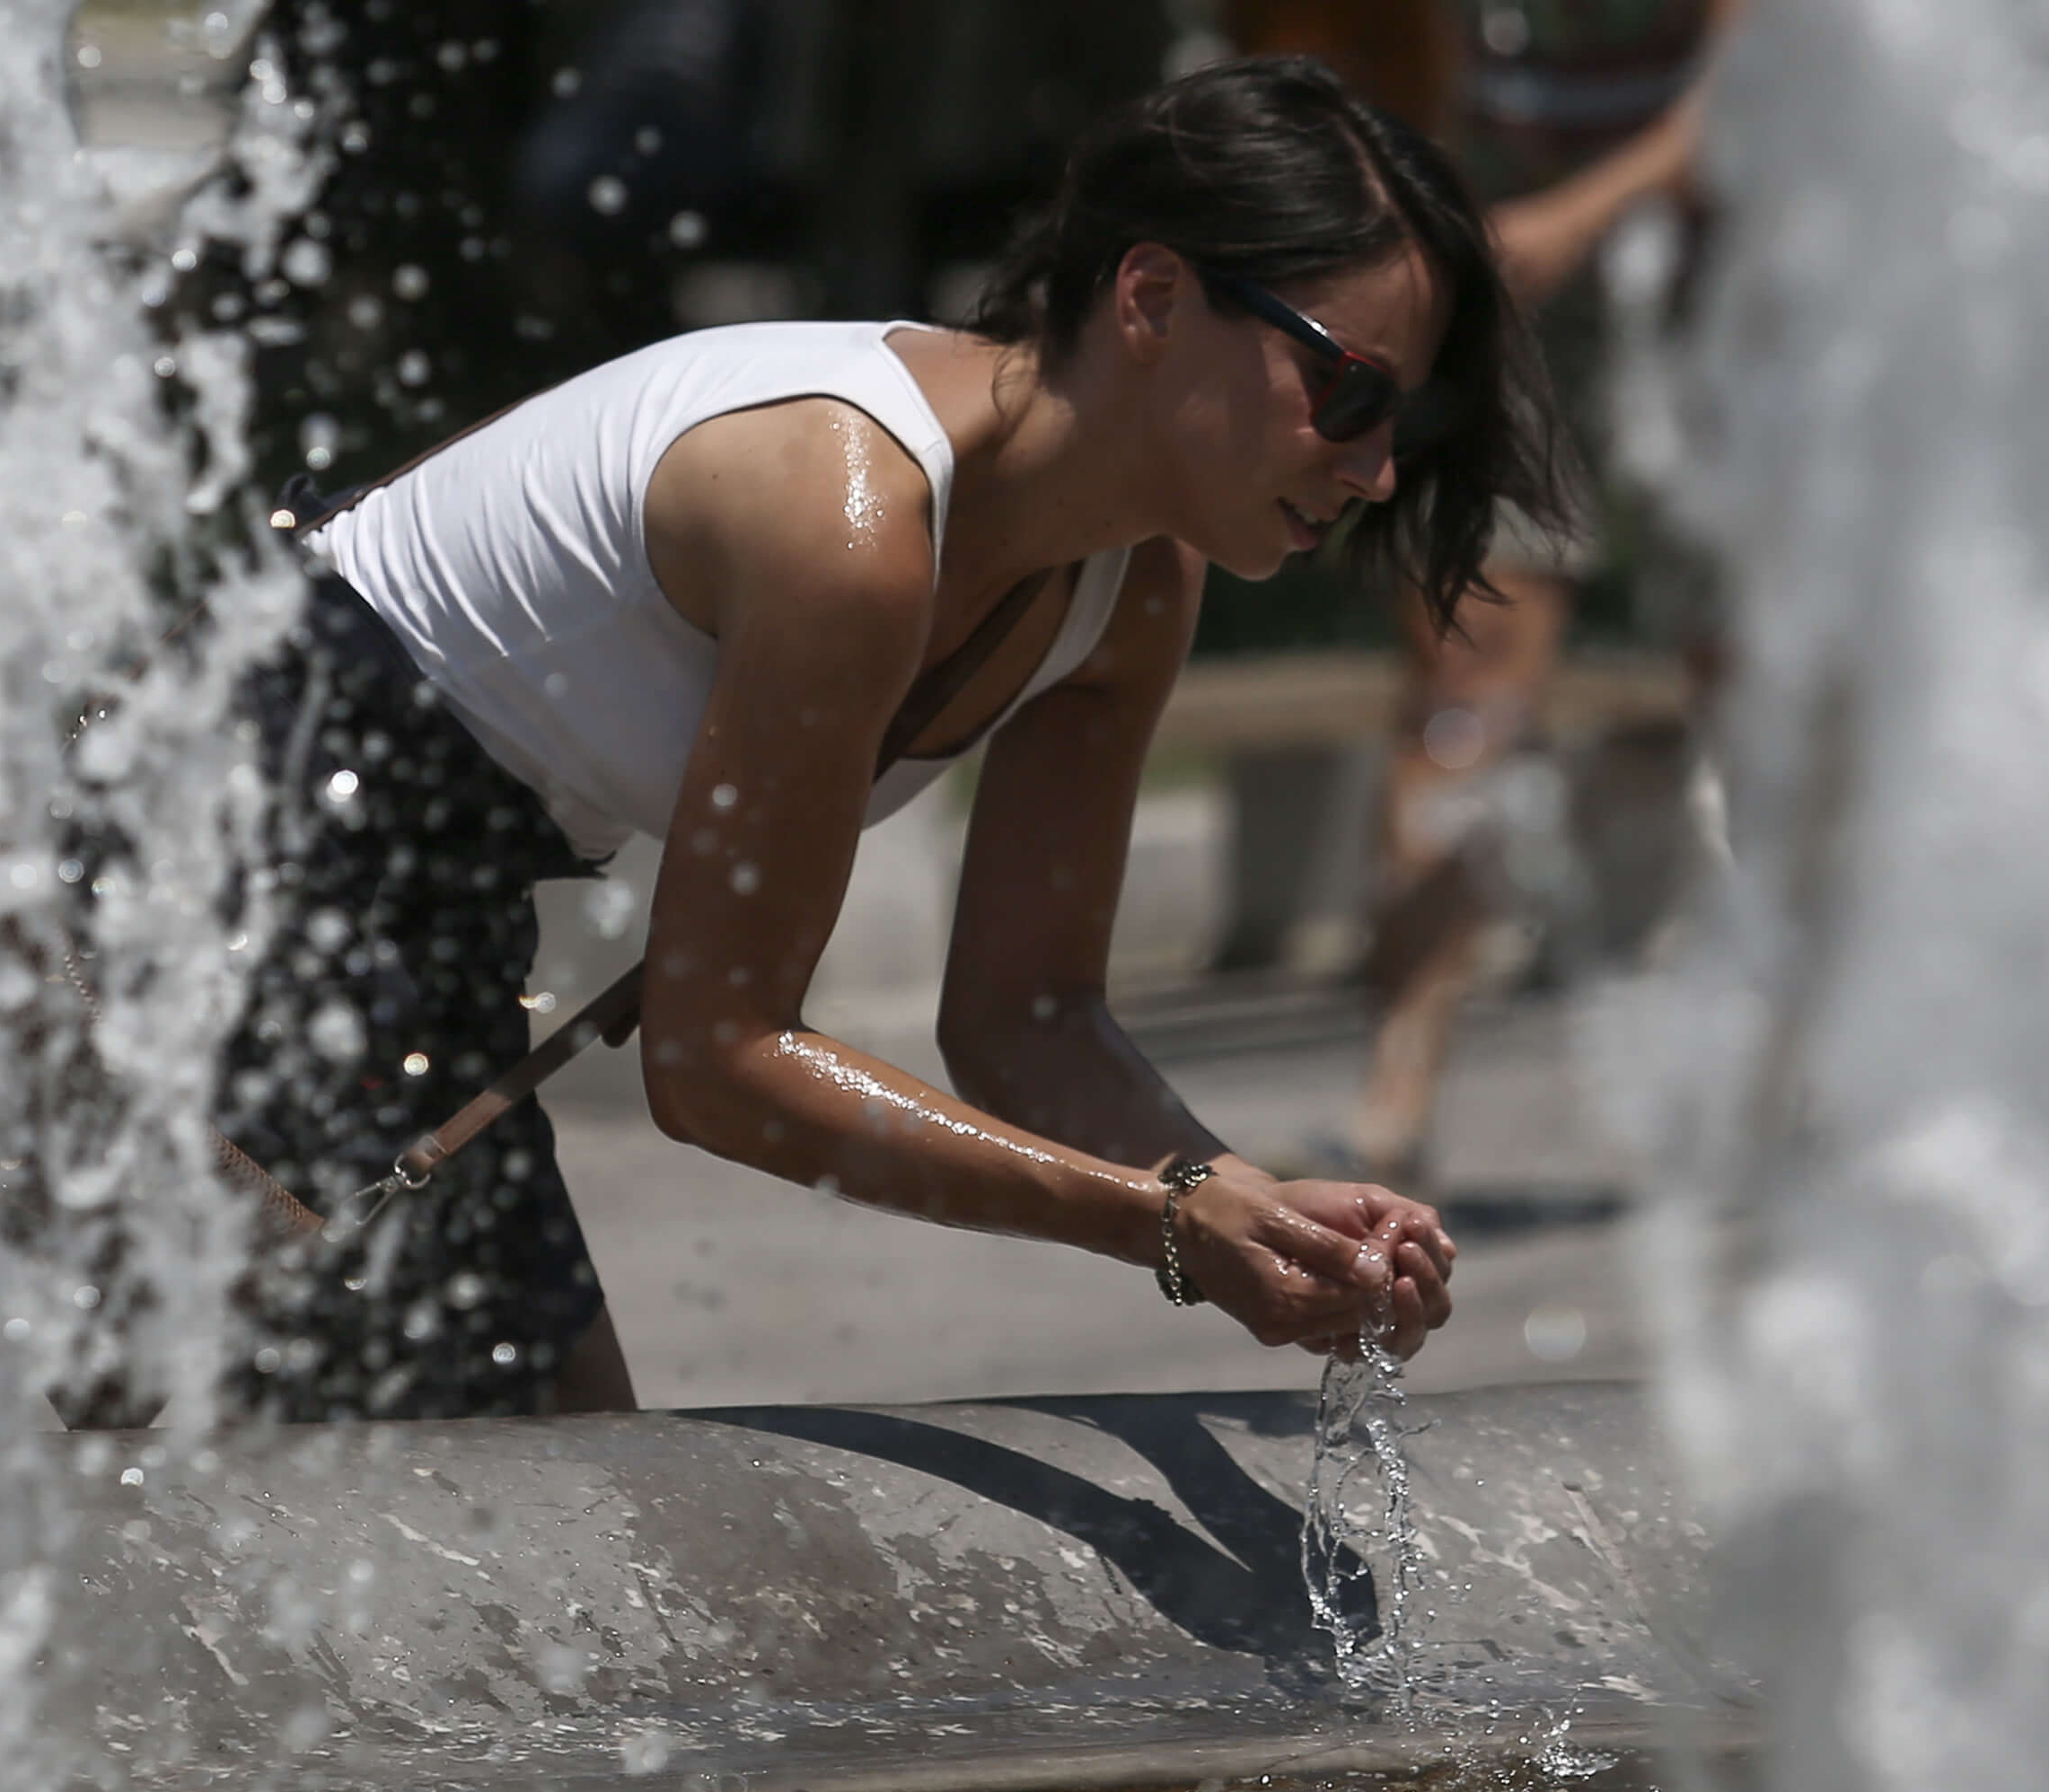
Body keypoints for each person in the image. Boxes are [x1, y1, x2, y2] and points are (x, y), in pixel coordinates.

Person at [210, 56, 1571, 1422]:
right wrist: (1162, 1224)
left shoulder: (1138, 582)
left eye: (1408, 416)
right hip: (225, 849)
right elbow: (716, 1062)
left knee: (556, 1530)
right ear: (1152, 298)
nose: (1376, 467)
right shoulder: (847, 518)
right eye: (1347, 392)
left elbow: (1026, 1018)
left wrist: (1252, 1208)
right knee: (451, 1526)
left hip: (410, 929)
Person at [1333, 2, 1733, 1192]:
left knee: (1753, 689)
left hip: (1708, 289)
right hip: (1517, 285)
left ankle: (1814, 1081)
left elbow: (1757, 92)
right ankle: (1391, 1099)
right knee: (1461, 688)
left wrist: (1573, 215)